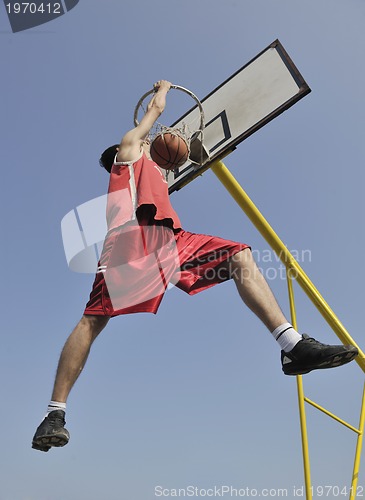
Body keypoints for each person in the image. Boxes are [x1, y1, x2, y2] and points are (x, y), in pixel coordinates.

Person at [32, 80, 358, 452]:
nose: (146, 144)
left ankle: (291, 345)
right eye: (143, 143)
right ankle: (54, 413)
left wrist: (194, 149)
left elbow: (187, 159)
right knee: (92, 319)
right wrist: (163, 90)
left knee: (239, 255)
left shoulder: (153, 172)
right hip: (132, 240)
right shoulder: (127, 155)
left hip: (173, 241)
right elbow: (152, 114)